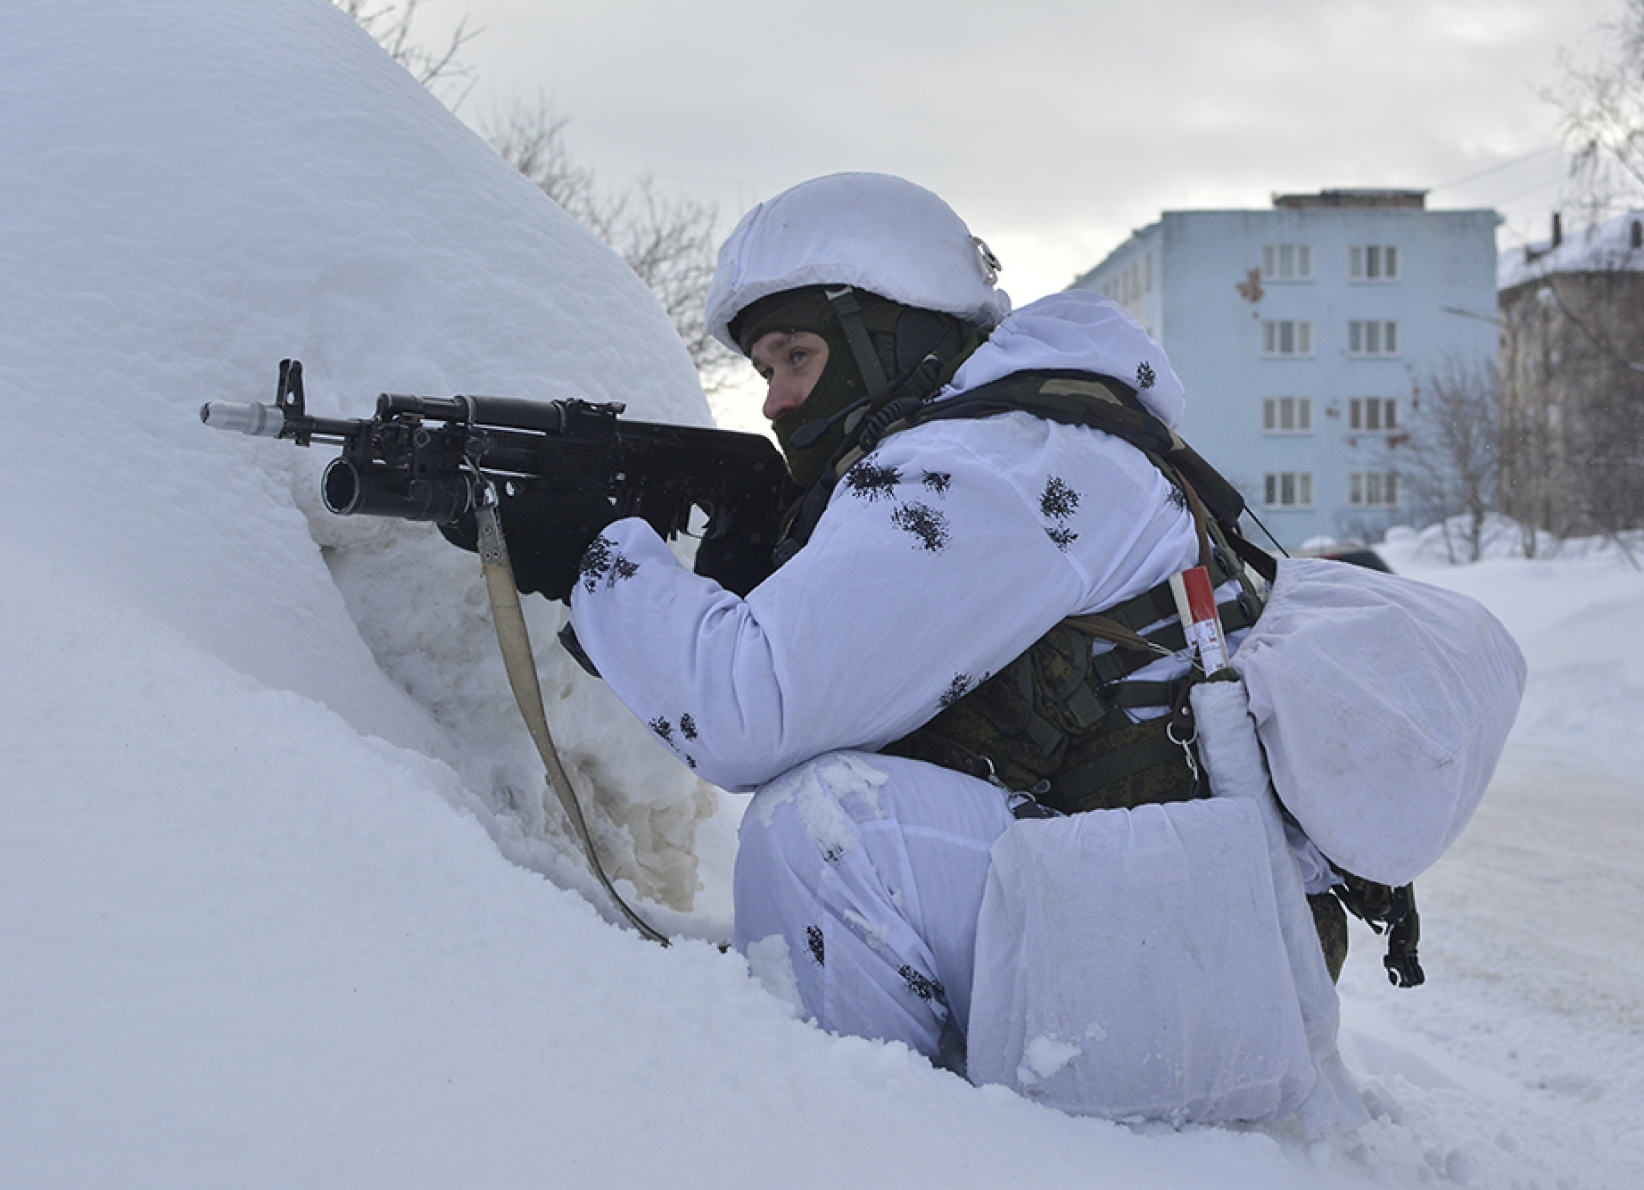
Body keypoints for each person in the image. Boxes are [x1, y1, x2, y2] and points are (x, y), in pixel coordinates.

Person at [471, 173, 1345, 1120]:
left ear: (890, 339)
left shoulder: (997, 464)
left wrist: (594, 556)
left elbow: (750, 714)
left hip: (1181, 970)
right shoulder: (1040, 439)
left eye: (796, 357)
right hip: (1186, 941)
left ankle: (867, 1138)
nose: (774, 404)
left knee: (825, 828)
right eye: (765, 371)